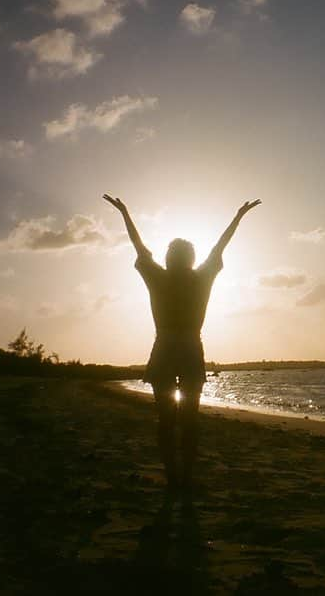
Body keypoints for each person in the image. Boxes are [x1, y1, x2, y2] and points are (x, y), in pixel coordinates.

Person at [103, 194, 261, 490]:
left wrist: (125, 213)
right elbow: (220, 246)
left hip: (165, 348)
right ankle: (184, 476)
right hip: (189, 348)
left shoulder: (159, 277)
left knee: (166, 419)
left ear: (169, 258)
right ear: (190, 259)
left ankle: (175, 475)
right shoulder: (201, 277)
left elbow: (139, 247)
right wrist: (239, 216)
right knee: (189, 419)